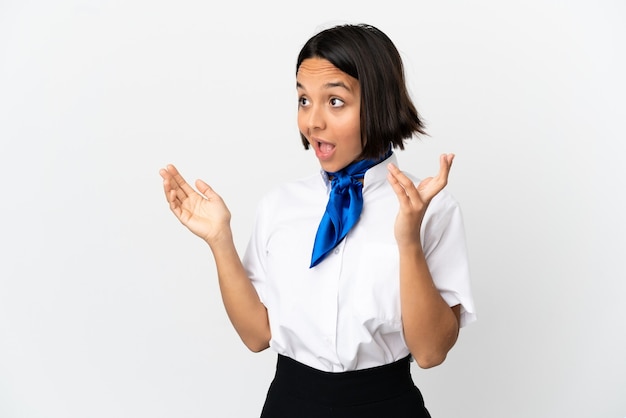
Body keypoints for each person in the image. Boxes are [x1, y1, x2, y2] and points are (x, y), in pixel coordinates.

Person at [160, 23, 476, 418]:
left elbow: (430, 353)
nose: (313, 122)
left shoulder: (431, 207)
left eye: (335, 102)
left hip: (387, 406)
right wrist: (219, 239)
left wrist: (408, 240)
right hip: (290, 404)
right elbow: (257, 335)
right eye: (303, 100)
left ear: (378, 102)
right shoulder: (280, 205)